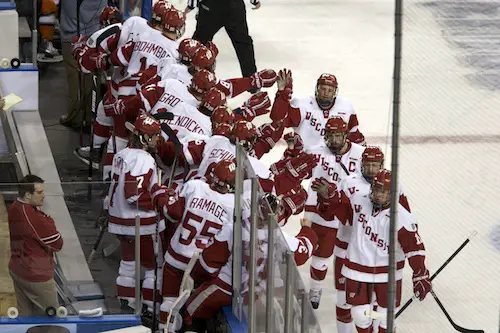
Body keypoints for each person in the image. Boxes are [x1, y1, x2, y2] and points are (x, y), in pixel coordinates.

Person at [315, 169, 431, 333]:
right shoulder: (359, 202)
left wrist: (420, 272)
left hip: (388, 274)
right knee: (359, 314)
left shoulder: (402, 217)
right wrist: (329, 197)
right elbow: (344, 215)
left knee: (384, 317)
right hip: (357, 269)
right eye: (376, 189)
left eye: (383, 191)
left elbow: (414, 247)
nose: (377, 194)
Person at [303, 116, 365, 310]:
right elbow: (299, 174)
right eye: (331, 135)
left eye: (339, 135)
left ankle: (350, 292)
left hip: (350, 211)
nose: (335, 139)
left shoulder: (361, 154)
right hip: (324, 209)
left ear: (346, 135)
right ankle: (315, 289)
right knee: (322, 254)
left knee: (350, 254)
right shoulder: (314, 153)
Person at [7, 175, 64, 316]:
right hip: (37, 276)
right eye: (39, 193)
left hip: (18, 268)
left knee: (26, 318)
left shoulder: (15, 206)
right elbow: (57, 244)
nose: (43, 196)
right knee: (51, 320)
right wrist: (48, 219)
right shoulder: (34, 217)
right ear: (27, 194)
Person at [270, 69, 365, 151]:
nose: (326, 93)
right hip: (303, 159)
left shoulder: (346, 107)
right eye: (323, 89)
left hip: (332, 162)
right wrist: (282, 95)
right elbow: (278, 118)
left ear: (335, 92)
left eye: (330, 90)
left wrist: (365, 152)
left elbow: (354, 135)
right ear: (317, 89)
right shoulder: (301, 105)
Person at [59, 0, 106, 129]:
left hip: (72, 36)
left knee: (74, 75)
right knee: (91, 75)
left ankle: (75, 116)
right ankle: (89, 117)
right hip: (95, 37)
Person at [188, 0, 260, 80]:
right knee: (243, 44)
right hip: (235, 7)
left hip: (211, 7)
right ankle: (252, 81)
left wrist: (190, 6)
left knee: (200, 41)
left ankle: (192, 77)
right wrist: (255, 1)